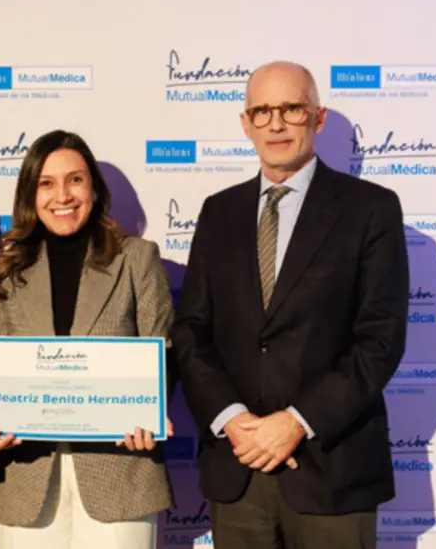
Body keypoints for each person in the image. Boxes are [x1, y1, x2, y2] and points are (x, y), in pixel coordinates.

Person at [171, 61, 410, 548]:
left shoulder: (371, 209)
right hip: (237, 469)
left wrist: (296, 422)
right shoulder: (219, 212)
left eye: (291, 109)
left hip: (332, 471)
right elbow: (192, 330)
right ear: (245, 123)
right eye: (261, 111)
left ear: (317, 118)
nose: (275, 123)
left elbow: (380, 339)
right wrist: (229, 419)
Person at [0, 130, 176, 549]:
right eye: (46, 183)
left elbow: (164, 351)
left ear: (95, 189)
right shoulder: (3, 269)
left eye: (75, 180)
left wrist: (150, 413)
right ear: (30, 194)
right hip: (22, 476)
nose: (62, 195)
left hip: (119, 471)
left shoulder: (137, 257)